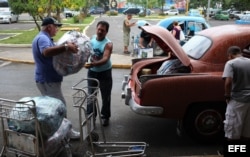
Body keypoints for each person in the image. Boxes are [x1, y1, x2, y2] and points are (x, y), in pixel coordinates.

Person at [31, 17, 80, 139]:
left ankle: (56, 133)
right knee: (60, 107)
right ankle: (67, 133)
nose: (57, 29)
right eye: (55, 26)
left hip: (47, 80)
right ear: (49, 27)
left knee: (51, 109)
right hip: (48, 80)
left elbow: (51, 50)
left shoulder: (44, 37)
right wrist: (66, 47)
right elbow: (46, 52)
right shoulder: (42, 38)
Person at [221, 46, 250, 154]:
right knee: (247, 131)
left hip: (238, 101)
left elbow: (228, 82)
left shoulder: (231, 63)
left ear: (230, 55)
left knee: (232, 130)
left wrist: (227, 96)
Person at [85, 21, 113, 127]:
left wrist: (93, 64)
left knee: (105, 96)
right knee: (91, 95)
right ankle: (91, 115)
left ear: (106, 32)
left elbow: (105, 58)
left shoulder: (108, 44)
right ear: (96, 29)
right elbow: (87, 50)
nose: (100, 31)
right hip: (92, 72)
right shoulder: (92, 39)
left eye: (103, 30)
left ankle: (105, 116)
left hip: (105, 73)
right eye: (99, 29)